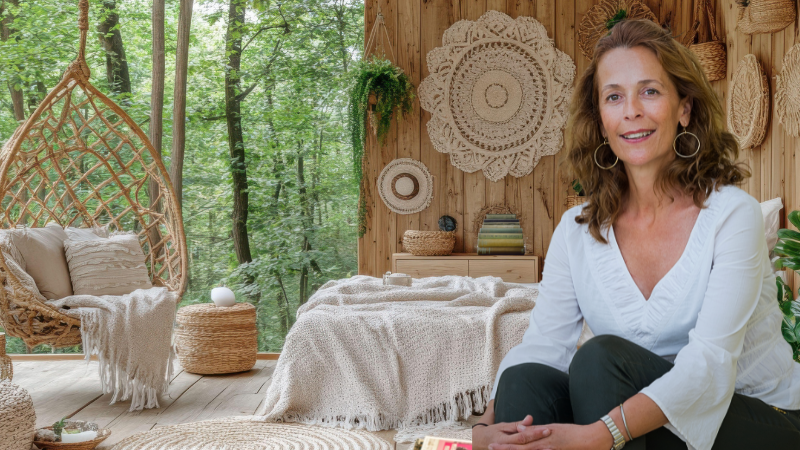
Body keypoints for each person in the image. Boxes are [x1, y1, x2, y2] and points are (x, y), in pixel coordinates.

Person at [472, 19, 800, 450]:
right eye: (614, 97)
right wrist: (481, 427)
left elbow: (709, 365)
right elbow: (545, 344)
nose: (631, 111)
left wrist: (597, 435)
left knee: (600, 362)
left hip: (758, 417)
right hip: (646, 417)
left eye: (649, 91)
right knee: (524, 378)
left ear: (684, 107)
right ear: (602, 121)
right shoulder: (576, 232)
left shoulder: (730, 215)